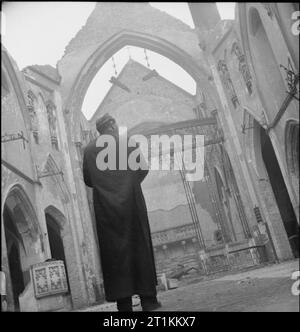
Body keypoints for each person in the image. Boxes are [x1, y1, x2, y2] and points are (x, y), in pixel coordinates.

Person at [82, 113, 161, 312]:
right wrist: (129, 184)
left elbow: (88, 180)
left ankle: (123, 304)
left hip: (106, 209)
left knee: (114, 253)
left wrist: (107, 187)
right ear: (113, 125)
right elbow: (143, 169)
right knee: (139, 247)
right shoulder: (128, 142)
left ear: (99, 130)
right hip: (132, 203)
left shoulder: (89, 149)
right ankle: (148, 301)